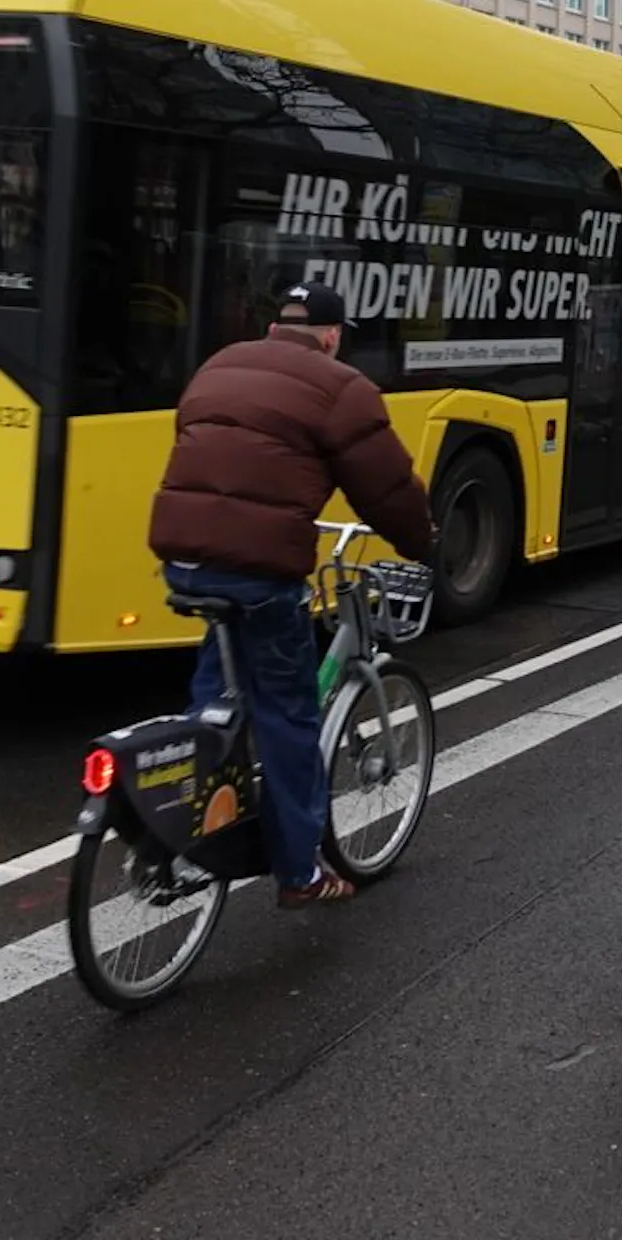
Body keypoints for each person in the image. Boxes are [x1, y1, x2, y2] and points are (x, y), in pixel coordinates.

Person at [148, 282, 438, 908]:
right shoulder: (340, 388)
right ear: (332, 335)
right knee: (290, 714)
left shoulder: (221, 363)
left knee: (217, 690)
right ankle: (300, 872)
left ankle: (194, 802)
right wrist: (424, 542)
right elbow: (386, 488)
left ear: (278, 326)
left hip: (184, 560)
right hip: (257, 574)